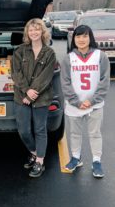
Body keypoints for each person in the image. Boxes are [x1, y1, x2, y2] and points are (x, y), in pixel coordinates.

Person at [60, 25, 110, 178]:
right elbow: (65, 82)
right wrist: (76, 101)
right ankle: (75, 158)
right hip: (74, 105)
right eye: (78, 36)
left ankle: (96, 161)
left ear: (90, 38)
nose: (81, 40)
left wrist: (92, 100)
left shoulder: (100, 56)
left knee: (95, 133)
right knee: (75, 133)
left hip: (94, 104)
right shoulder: (68, 58)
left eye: (85, 36)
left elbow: (104, 80)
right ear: (73, 39)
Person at [11, 18, 56, 178]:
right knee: (23, 130)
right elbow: (16, 74)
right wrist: (26, 91)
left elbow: (46, 76)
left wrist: (32, 93)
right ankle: (35, 152)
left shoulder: (49, 53)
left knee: (40, 129)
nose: (34, 32)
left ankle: (39, 162)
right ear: (27, 33)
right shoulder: (20, 51)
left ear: (42, 31)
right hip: (21, 96)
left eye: (37, 29)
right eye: (31, 30)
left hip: (41, 97)